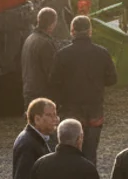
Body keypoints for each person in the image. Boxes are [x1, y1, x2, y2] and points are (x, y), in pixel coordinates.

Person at [49, 15, 118, 164]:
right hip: (95, 110)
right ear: (90, 31)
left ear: (72, 31)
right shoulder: (102, 53)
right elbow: (113, 79)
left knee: (69, 151)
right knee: (90, 152)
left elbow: (53, 82)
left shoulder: (62, 55)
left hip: (70, 109)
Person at [22, 7, 59, 106]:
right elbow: (52, 72)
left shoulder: (30, 38)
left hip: (29, 90)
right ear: (52, 24)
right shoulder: (45, 43)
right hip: (41, 94)